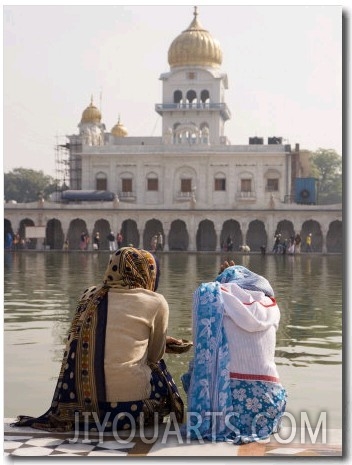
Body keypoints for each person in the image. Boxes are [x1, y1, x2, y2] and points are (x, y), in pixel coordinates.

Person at [12, 247, 184, 433]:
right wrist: (161, 342)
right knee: (160, 369)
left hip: (82, 413)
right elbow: (154, 356)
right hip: (128, 414)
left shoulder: (88, 295)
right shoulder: (157, 302)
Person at [181, 260, 287, 444]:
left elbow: (202, 355)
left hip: (222, 414)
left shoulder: (211, 297)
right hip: (267, 410)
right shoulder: (271, 308)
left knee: (194, 371)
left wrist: (220, 281)